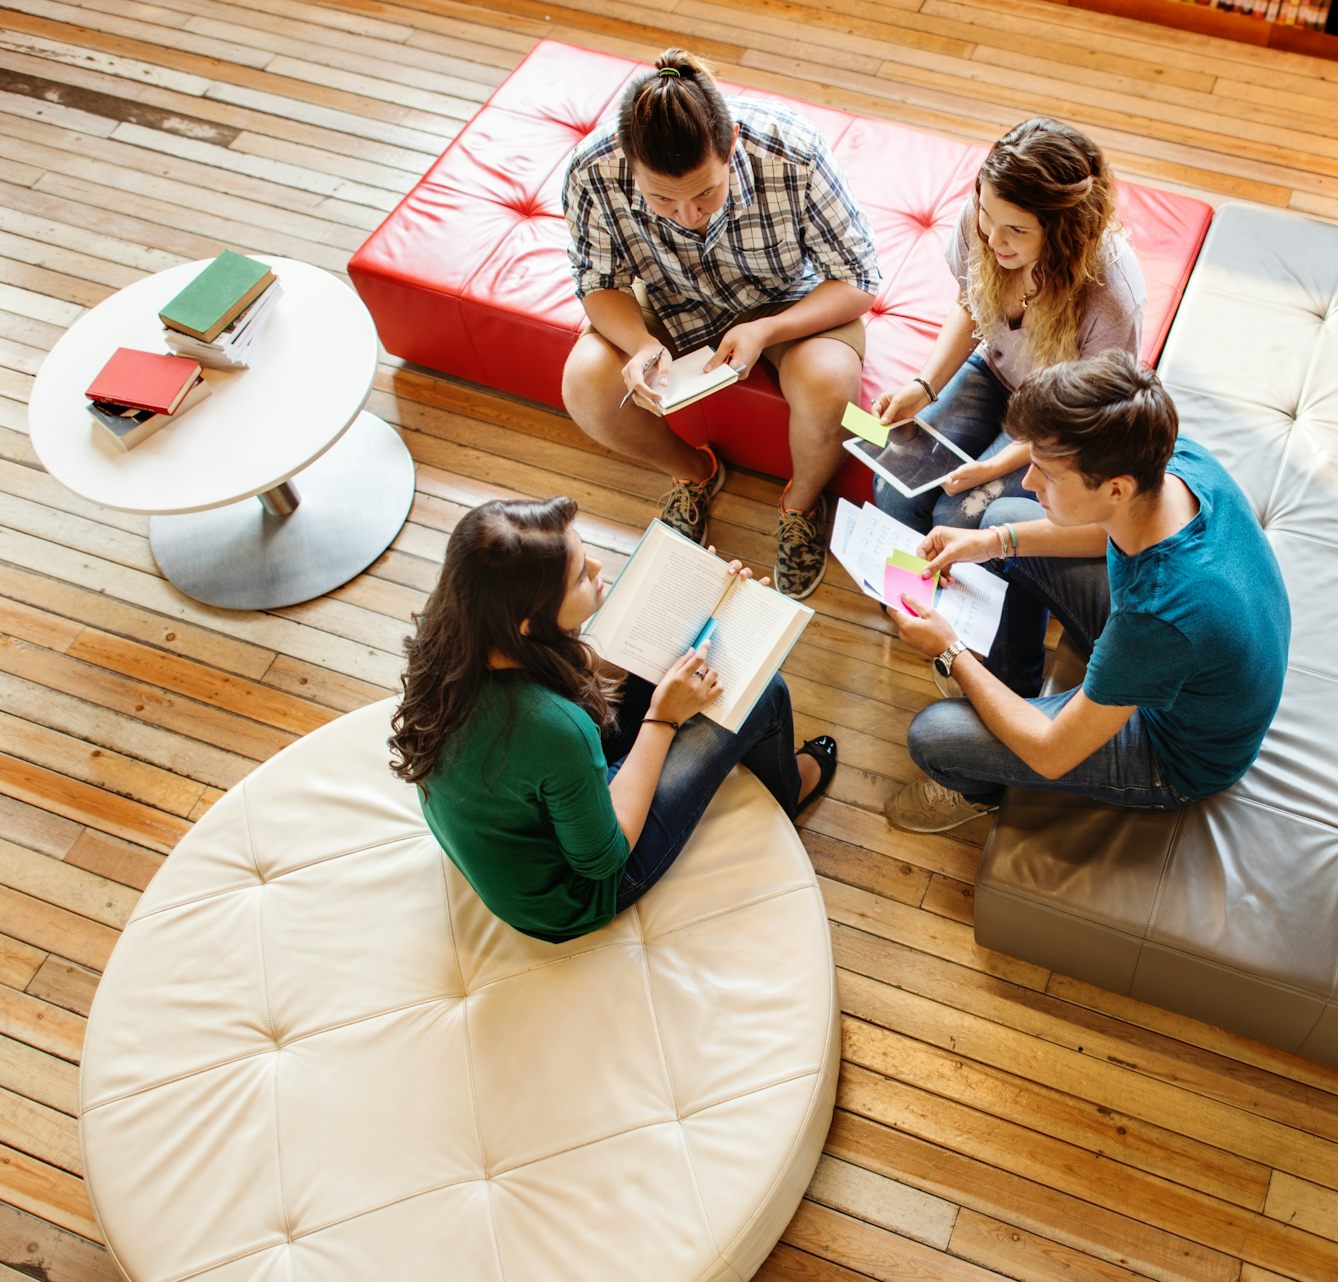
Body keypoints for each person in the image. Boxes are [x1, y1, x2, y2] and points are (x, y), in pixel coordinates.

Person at [388, 497, 837, 943]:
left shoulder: (454, 628)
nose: (598, 567)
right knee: (764, 693)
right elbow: (604, 859)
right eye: (580, 576)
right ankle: (787, 791)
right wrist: (662, 718)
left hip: (522, 816)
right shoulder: (553, 727)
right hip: (572, 894)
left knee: (683, 662)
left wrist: (698, 605)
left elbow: (578, 673)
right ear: (527, 622)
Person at [883, 351, 1288, 832]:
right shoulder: (1171, 457)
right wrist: (989, 543)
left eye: (1047, 474)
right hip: (1187, 659)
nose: (1028, 481)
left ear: (1115, 489)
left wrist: (950, 650)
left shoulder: (1155, 617)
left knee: (932, 736)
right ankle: (1013, 685)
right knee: (1003, 519)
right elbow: (1108, 531)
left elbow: (1050, 753)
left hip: (1176, 752)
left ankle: (981, 789)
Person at [561, 49, 884, 599]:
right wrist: (639, 345)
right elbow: (598, 283)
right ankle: (694, 473)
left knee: (830, 385)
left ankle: (802, 505)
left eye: (705, 193)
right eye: (663, 199)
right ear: (629, 161)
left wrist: (767, 331)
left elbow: (859, 279)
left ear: (731, 143)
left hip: (786, 301)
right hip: (667, 299)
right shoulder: (591, 171)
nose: (689, 215)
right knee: (585, 382)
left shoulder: (793, 151)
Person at [869, 117, 1145, 534]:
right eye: (986, 214)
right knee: (894, 486)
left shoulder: (1113, 298)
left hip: (1061, 414)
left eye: (1016, 230)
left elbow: (1083, 415)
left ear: (1064, 234)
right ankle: (903, 577)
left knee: (960, 515)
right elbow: (969, 303)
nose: (993, 239)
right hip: (993, 371)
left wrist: (993, 467)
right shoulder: (983, 218)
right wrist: (924, 387)